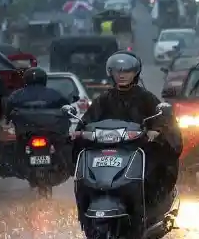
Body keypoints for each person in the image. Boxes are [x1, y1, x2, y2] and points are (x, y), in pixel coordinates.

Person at [76, 51, 182, 208]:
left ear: (135, 73)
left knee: (157, 167)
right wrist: (79, 131)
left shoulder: (145, 97)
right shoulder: (104, 99)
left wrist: (156, 131)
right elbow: (88, 120)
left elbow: (163, 119)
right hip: (107, 149)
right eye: (118, 71)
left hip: (139, 148)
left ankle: (154, 204)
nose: (122, 75)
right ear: (111, 73)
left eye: (127, 71)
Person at [5, 67, 72, 115]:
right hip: (51, 131)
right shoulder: (55, 94)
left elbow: (8, 111)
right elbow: (67, 106)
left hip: (24, 131)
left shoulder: (16, 95)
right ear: (44, 79)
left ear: (25, 80)